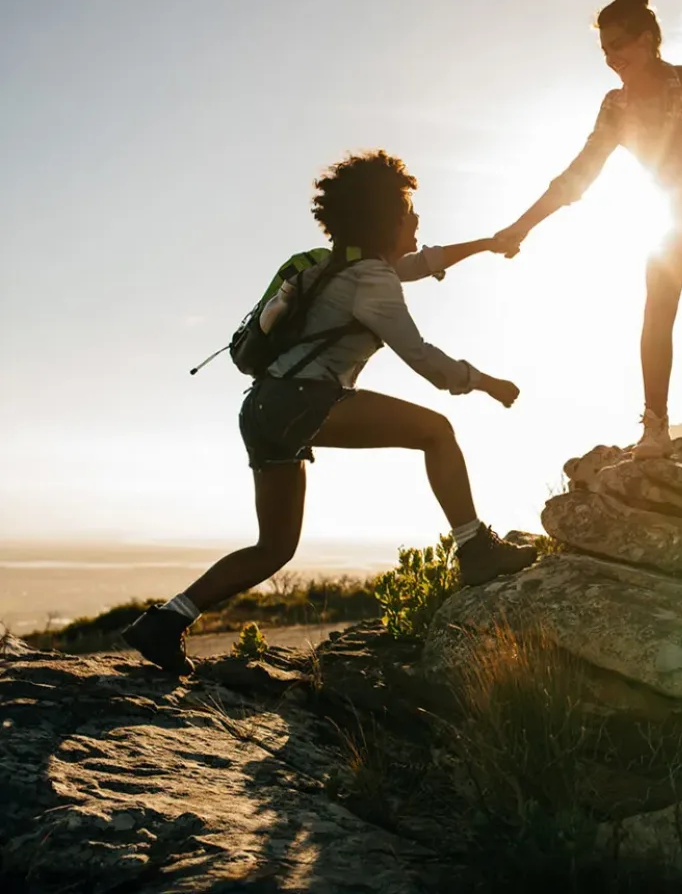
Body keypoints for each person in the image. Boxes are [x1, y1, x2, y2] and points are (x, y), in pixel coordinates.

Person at [124, 150, 536, 675]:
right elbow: (423, 359)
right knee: (437, 430)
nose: (417, 223)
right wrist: (485, 382)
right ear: (386, 221)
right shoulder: (373, 281)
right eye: (410, 215)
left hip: (263, 408)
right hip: (303, 402)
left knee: (273, 548)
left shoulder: (333, 264)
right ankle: (474, 548)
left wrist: (485, 244)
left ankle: (165, 622)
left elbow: (419, 263)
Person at [494, 0, 682, 474]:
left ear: (649, 38)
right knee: (657, 312)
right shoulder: (616, 106)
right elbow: (578, 174)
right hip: (671, 216)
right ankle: (655, 426)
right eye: (606, 49)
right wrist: (523, 225)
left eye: (621, 45)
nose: (612, 57)